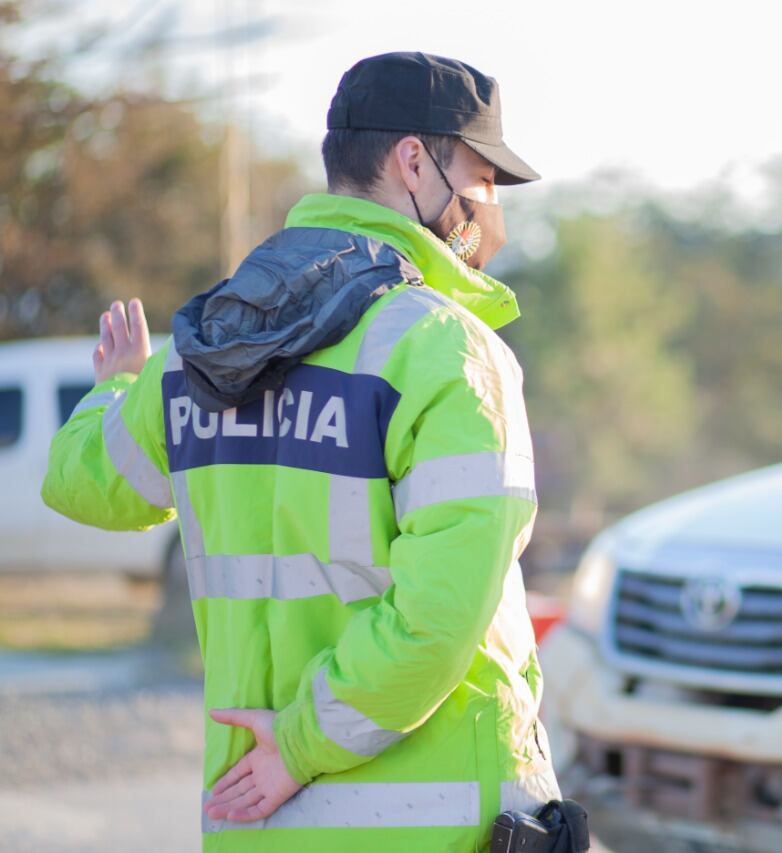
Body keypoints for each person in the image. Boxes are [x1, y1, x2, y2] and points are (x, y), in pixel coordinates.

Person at [42, 52, 561, 852]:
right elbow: (437, 616)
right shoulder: (445, 349)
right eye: (483, 176)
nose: (488, 207)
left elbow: (84, 484)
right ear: (414, 160)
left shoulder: (199, 350)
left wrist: (117, 386)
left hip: (253, 821)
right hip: (436, 829)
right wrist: (303, 742)